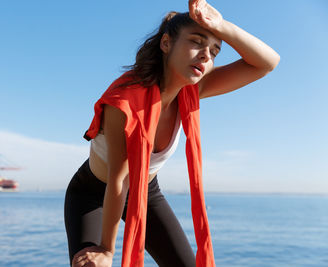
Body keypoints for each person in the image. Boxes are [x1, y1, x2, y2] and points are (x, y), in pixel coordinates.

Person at [64, 0, 280, 266]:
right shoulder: (123, 100)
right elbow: (118, 180)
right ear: (166, 44)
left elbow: (267, 63)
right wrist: (107, 250)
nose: (206, 55)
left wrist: (221, 26)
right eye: (197, 42)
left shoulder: (193, 91)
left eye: (214, 51)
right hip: (93, 192)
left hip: (146, 192)